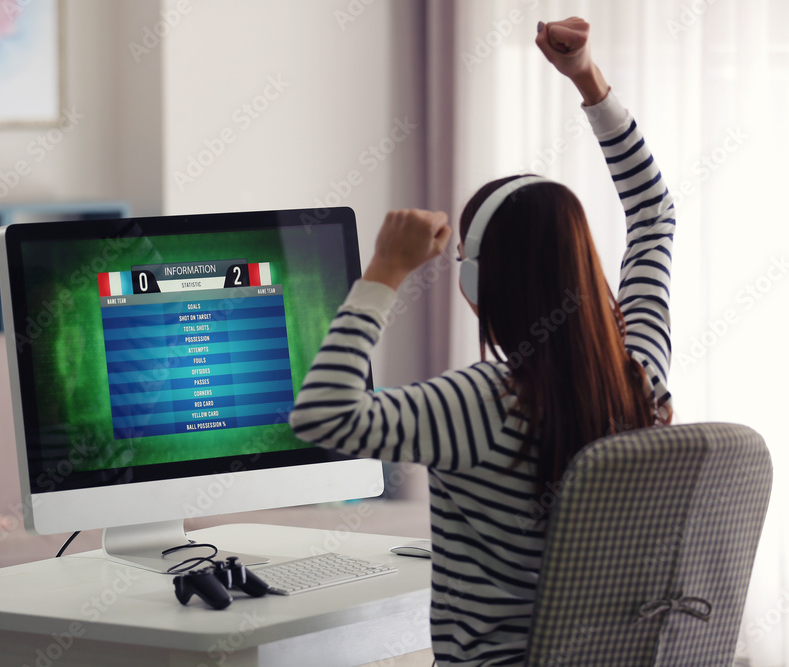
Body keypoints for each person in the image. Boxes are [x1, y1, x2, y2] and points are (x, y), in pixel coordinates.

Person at [288, 17, 674, 666]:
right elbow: (653, 212)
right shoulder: (641, 375)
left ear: (476, 282)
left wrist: (386, 269)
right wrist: (587, 78)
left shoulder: (477, 403)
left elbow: (321, 414)